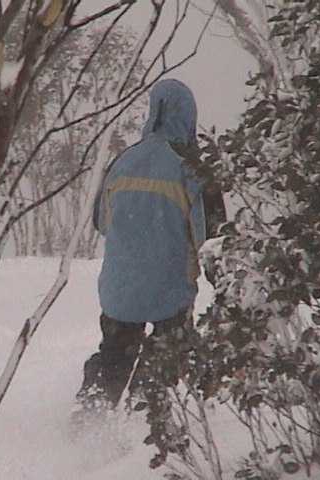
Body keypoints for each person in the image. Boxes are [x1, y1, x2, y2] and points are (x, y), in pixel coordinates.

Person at [74, 79, 208, 420]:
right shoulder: (189, 169)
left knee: (114, 355)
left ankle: (91, 414)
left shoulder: (123, 161)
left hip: (121, 287)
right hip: (170, 288)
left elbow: (101, 222)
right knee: (165, 357)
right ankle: (143, 422)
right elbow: (208, 236)